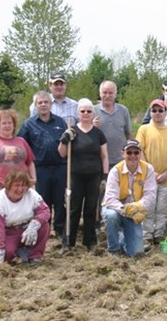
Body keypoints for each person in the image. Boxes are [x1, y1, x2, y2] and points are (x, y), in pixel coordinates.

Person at [58, 98, 109, 250]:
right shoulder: (72, 131)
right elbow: (62, 154)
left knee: (91, 208)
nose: (86, 114)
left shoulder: (98, 134)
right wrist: (64, 141)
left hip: (94, 175)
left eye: (88, 111)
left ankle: (90, 241)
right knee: (74, 208)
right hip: (75, 175)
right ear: (78, 113)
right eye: (82, 111)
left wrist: (105, 176)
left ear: (93, 113)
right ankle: (69, 241)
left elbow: (104, 156)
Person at [18, 91, 68, 237]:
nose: (43, 105)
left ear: (51, 104)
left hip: (60, 167)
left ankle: (60, 229)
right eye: (40, 102)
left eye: (46, 102)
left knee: (60, 200)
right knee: (43, 201)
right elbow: (22, 145)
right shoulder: (29, 124)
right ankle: (44, 229)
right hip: (40, 169)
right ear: (35, 105)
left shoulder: (60, 122)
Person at [136, 99, 167, 246]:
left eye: (160, 110)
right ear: (150, 112)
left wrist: (166, 173)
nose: (157, 113)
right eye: (154, 110)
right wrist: (151, 172)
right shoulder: (144, 129)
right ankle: (147, 236)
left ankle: (158, 235)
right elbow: (140, 151)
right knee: (148, 207)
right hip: (147, 177)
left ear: (165, 112)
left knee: (163, 208)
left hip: (166, 178)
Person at [0, 170, 50, 266]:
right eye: (16, 185)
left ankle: (34, 256)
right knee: (7, 254)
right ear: (9, 186)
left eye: (23, 185)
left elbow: (44, 211)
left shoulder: (32, 194)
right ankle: (0, 252)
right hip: (8, 231)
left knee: (44, 226)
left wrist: (33, 226)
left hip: (26, 227)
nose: (20, 189)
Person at [102, 140, 157, 257]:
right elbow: (110, 199)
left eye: (136, 153)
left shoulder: (148, 169)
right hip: (115, 209)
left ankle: (123, 239)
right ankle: (113, 249)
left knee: (137, 253)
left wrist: (137, 206)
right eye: (129, 152)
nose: (133, 156)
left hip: (135, 212)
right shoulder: (115, 171)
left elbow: (151, 195)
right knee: (111, 216)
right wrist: (126, 209)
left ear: (140, 154)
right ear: (123, 154)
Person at [0, 108, 36, 200]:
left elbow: (30, 162)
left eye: (10, 123)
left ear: (14, 125)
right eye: (4, 123)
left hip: (21, 186)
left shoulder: (22, 141)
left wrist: (33, 178)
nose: (7, 126)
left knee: (22, 213)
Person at [92, 80, 133, 169]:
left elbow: (129, 134)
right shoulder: (92, 111)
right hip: (99, 160)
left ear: (115, 94)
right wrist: (92, 126)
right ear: (100, 93)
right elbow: (85, 134)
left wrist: (130, 153)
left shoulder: (123, 110)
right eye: (104, 92)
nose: (107, 96)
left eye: (111, 93)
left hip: (120, 160)